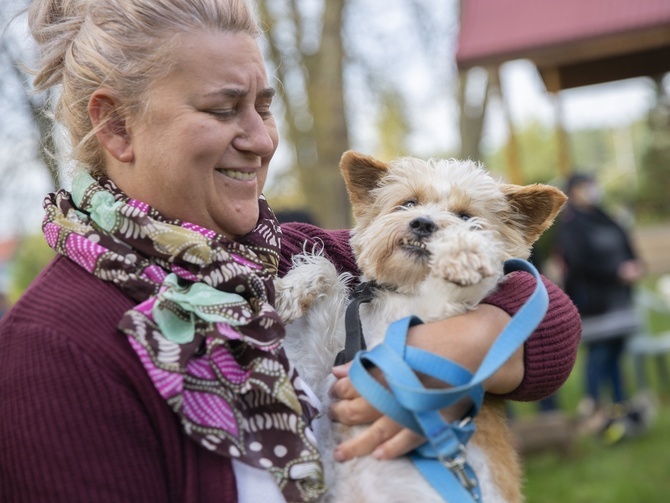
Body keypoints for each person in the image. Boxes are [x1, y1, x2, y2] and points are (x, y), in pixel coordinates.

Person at [0, 0, 581, 501]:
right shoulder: (51, 352)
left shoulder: (292, 253)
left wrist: (457, 347)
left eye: (265, 105)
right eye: (223, 109)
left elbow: (548, 316)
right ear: (118, 127)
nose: (261, 140)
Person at [555, 173, 645, 442]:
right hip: (594, 302)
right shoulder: (571, 225)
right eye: (585, 187)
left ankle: (620, 406)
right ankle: (593, 408)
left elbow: (625, 243)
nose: (592, 191)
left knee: (616, 352)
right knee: (599, 354)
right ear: (574, 191)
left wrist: (634, 264)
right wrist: (616, 271)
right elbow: (579, 261)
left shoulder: (605, 217)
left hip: (619, 298)